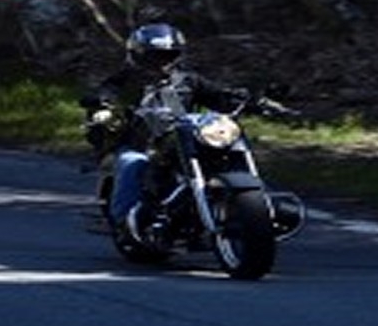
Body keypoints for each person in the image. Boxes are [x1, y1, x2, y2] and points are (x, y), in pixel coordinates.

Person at [80, 22, 250, 240]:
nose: (161, 62)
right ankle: (123, 223)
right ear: (137, 56)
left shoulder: (189, 80)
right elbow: (106, 91)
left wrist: (246, 100)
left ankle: (251, 207)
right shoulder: (126, 79)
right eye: (153, 56)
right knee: (132, 163)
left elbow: (219, 97)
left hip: (183, 138)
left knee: (222, 152)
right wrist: (100, 101)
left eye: (168, 56)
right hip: (142, 144)